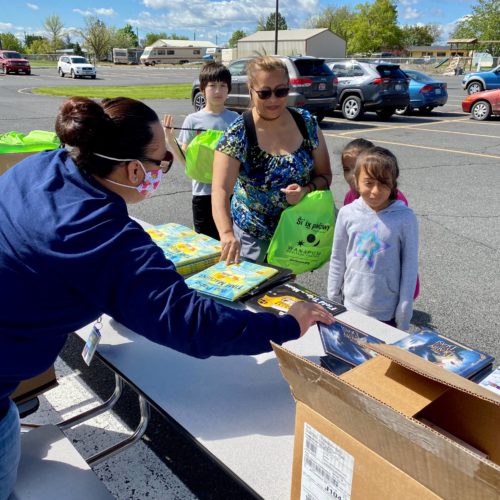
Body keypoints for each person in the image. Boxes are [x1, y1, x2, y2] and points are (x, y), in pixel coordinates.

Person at [0, 96, 335, 499]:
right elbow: (192, 324)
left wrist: (129, 293)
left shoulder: (42, 165)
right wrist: (288, 323)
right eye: (162, 160)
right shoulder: (103, 236)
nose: (163, 170)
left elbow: (60, 264)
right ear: (134, 169)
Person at [212, 55, 333, 264]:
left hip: (294, 236)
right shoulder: (238, 133)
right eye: (265, 93)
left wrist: (306, 190)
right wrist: (226, 234)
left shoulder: (306, 123)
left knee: (283, 293)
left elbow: (325, 175)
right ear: (251, 89)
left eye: (281, 91)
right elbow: (220, 190)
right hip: (252, 239)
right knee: (251, 294)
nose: (273, 100)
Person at [327, 146, 419, 331]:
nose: (375, 191)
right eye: (368, 183)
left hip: (388, 312)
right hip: (350, 306)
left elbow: (410, 267)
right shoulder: (347, 214)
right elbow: (337, 258)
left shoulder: (405, 218)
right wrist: (333, 299)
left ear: (394, 183)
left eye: (384, 183)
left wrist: (404, 310)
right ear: (356, 181)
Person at [164, 62, 238, 240]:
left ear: (229, 90)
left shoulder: (235, 119)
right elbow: (186, 161)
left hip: (232, 194)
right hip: (203, 194)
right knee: (206, 243)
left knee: (231, 242)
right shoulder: (192, 120)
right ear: (203, 89)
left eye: (223, 86)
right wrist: (170, 139)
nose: (218, 91)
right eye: (213, 86)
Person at [340, 138, 420, 299]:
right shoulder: (350, 199)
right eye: (346, 169)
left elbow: (400, 243)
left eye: (355, 168)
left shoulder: (397, 202)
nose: (351, 175)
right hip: (365, 271)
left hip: (388, 273)